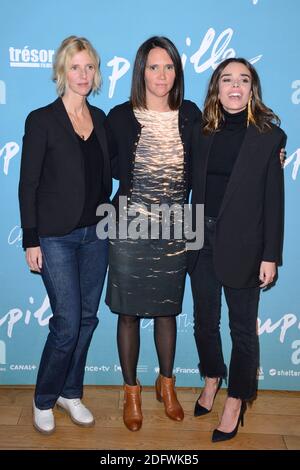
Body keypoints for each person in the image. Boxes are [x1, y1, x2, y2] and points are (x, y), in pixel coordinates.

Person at [104, 36, 201, 431]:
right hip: (128, 222)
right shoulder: (118, 116)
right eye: (153, 66)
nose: (161, 75)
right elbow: (97, 163)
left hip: (178, 224)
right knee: (127, 313)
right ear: (140, 70)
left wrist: (272, 152)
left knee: (167, 309)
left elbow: (223, 151)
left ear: (177, 72)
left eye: (169, 67)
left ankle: (167, 384)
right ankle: (131, 391)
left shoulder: (192, 114)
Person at [188, 58, 286, 442]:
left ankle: (236, 399)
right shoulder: (201, 130)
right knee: (203, 322)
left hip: (246, 246)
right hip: (201, 239)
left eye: (243, 80)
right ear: (216, 86)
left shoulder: (268, 137)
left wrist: (270, 255)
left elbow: (274, 202)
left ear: (251, 89)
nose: (235, 86)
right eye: (226, 79)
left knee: (242, 330)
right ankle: (212, 375)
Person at [18, 36, 111, 434]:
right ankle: (44, 396)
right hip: (56, 237)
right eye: (75, 67)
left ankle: (70, 393)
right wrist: (30, 238)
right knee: (68, 323)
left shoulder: (103, 119)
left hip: (97, 234)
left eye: (89, 66)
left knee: (88, 320)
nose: (83, 74)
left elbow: (132, 159)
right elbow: (28, 184)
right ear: (62, 71)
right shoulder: (41, 120)